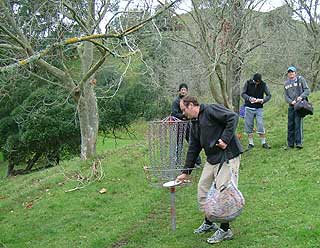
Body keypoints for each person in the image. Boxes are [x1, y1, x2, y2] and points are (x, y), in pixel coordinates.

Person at [176, 96, 243, 244]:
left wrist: (225, 139)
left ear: (192, 105)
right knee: (203, 189)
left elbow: (233, 117)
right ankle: (209, 222)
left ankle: (226, 230)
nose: (183, 114)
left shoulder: (211, 110)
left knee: (223, 193)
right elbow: (194, 147)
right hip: (212, 159)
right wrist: (185, 172)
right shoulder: (194, 122)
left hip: (227, 156)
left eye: (184, 110)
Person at [171, 83, 201, 166]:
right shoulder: (176, 101)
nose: (183, 91)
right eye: (182, 90)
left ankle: (197, 162)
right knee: (178, 144)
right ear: (179, 91)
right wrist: (183, 116)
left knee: (192, 143)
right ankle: (177, 162)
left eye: (185, 90)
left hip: (188, 125)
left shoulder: (189, 101)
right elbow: (174, 114)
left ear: (187, 91)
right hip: (179, 126)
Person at [241, 73, 272, 149]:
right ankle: (251, 143)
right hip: (249, 107)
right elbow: (243, 94)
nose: (256, 83)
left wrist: (263, 100)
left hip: (259, 108)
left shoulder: (263, 84)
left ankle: (264, 142)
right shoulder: (248, 83)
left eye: (258, 82)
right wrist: (249, 98)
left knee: (260, 124)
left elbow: (269, 95)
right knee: (249, 125)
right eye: (255, 81)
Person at [284, 66, 310, 149]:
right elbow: (286, 96)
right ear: (288, 74)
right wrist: (291, 102)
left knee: (298, 124)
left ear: (295, 73)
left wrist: (301, 97)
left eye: (292, 72)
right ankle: (290, 144)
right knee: (290, 125)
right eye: (289, 72)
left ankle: (299, 143)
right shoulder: (286, 83)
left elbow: (307, 90)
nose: (291, 73)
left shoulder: (300, 79)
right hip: (291, 106)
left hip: (299, 106)